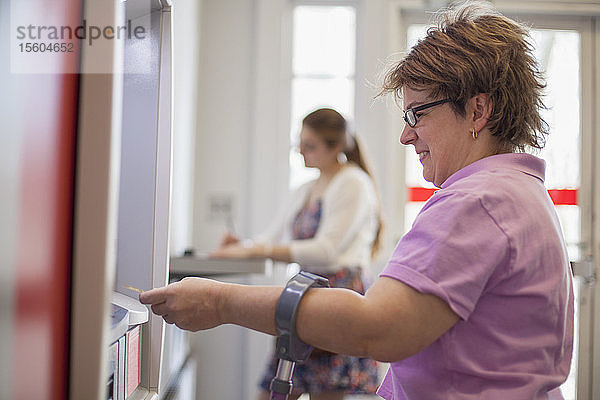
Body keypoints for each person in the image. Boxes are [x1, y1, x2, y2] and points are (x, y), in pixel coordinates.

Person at [140, 2, 574, 399]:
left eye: (417, 114)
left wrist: (222, 302)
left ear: (478, 111)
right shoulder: (518, 192)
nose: (406, 135)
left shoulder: (478, 201)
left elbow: (377, 328)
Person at [212, 107, 383, 400]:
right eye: (300, 143)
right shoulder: (307, 188)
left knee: (326, 392)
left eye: (310, 145)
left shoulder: (353, 183)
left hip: (338, 294)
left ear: (336, 146)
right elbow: (272, 237)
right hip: (305, 296)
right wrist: (243, 246)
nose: (301, 151)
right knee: (273, 390)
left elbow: (326, 252)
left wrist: (260, 250)